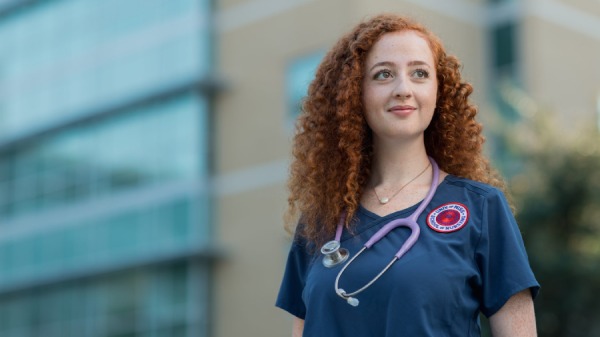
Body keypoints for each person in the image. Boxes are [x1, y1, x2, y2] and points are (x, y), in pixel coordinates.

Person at [276, 13, 539, 337]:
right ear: (354, 93)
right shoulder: (319, 221)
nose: (403, 88)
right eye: (383, 74)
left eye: (419, 73)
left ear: (438, 92)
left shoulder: (482, 209)